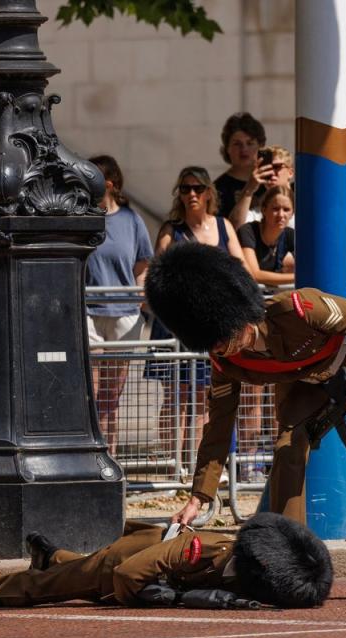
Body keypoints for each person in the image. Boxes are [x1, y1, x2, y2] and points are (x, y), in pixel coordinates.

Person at [144, 242, 346, 599]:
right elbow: (219, 426)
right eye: (214, 345)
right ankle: (290, 567)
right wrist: (198, 497)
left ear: (239, 318)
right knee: (287, 451)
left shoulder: (299, 308)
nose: (224, 351)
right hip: (309, 384)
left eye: (226, 340)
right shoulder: (224, 360)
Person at [0, 512, 333, 610]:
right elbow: (125, 577)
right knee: (52, 585)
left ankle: (52, 554)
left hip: (147, 558)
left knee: (69, 566)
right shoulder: (199, 552)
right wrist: (174, 599)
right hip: (126, 561)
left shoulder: (254, 571)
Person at [143, 166, 246, 475]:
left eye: (197, 189)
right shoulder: (171, 229)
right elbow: (155, 274)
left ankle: (196, 464)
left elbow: (240, 269)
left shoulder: (223, 227)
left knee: (203, 396)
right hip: (175, 321)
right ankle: (175, 466)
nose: (191, 195)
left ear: (208, 193)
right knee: (176, 395)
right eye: (186, 189)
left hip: (210, 323)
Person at [85, 155, 153, 454]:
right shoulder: (80, 219)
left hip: (124, 313)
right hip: (88, 311)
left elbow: (143, 262)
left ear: (109, 184)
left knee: (112, 394)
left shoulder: (131, 220)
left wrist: (139, 294)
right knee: (93, 389)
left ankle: (109, 454)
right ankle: (92, 452)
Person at [236, 184, 296, 479]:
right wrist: (291, 276)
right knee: (253, 392)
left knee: (281, 390)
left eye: (286, 209)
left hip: (278, 320)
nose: (280, 215)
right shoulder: (248, 231)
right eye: (275, 208)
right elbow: (253, 274)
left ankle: (277, 456)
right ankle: (248, 459)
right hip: (250, 317)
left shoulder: (292, 237)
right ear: (264, 210)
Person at [213, 112, 267, 227]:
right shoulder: (218, 189)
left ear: (260, 146)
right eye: (237, 144)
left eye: (250, 143)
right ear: (227, 148)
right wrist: (249, 189)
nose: (244, 149)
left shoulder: (271, 179)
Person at [231, 144, 296, 229]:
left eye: (276, 167)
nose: (271, 173)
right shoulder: (259, 211)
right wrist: (249, 188)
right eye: (266, 168)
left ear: (290, 173)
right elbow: (235, 229)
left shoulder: (305, 204)